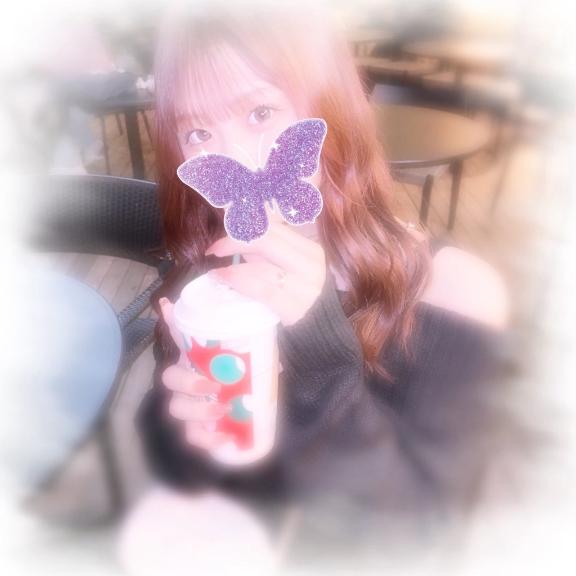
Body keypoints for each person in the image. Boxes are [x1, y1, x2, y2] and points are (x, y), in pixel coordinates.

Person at [131, 1, 535, 572]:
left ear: (332, 107)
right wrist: (181, 418)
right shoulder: (214, 274)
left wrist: (318, 354)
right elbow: (182, 468)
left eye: (260, 112)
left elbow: (422, 539)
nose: (234, 156)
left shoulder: (456, 295)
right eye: (198, 131)